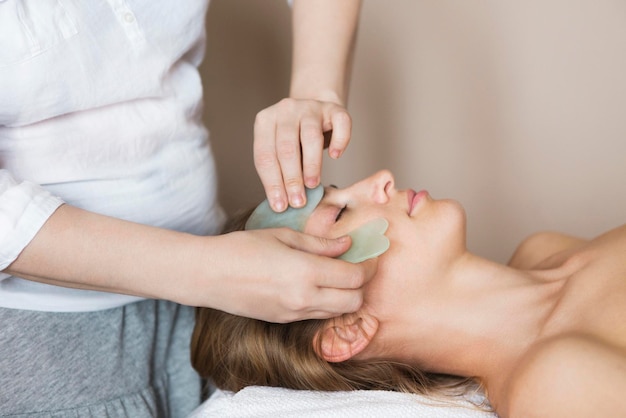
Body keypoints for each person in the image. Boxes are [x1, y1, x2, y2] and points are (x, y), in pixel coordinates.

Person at [0, 1, 375, 416]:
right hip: (47, 346)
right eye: (340, 212)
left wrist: (315, 92)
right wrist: (211, 272)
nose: (384, 180)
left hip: (208, 301)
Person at [191, 169, 626, 417]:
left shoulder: (543, 249)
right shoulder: (553, 386)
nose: (381, 178)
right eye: (341, 211)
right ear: (346, 329)